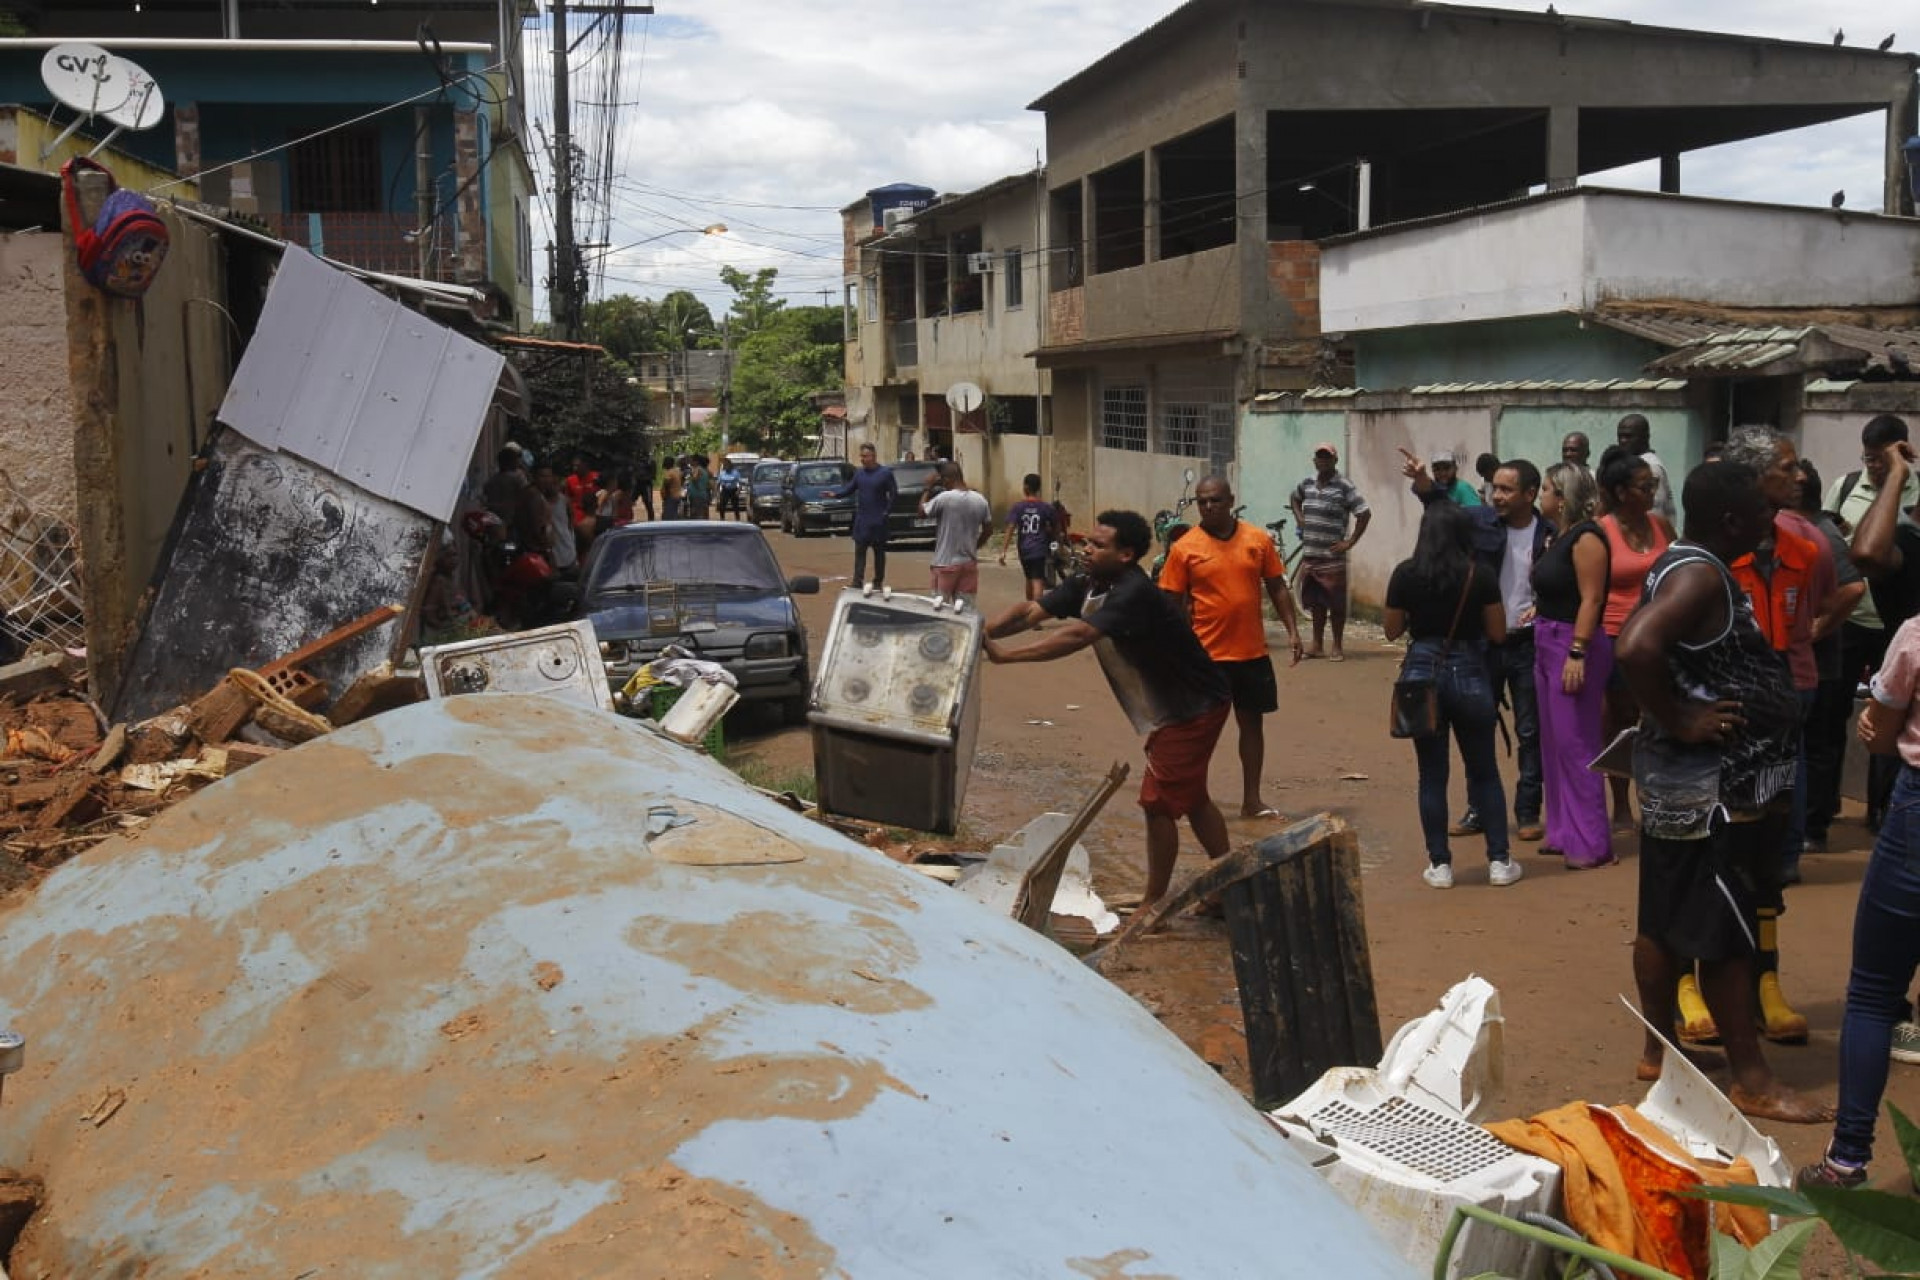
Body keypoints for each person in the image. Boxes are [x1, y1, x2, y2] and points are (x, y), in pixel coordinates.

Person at [1615, 460, 1831, 1124]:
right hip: (1714, 792)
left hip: (1685, 782)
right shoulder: (1702, 572)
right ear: (1733, 521)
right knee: (1728, 934)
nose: (1773, 524)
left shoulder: (1682, 562)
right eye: (1764, 514)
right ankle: (1752, 1077)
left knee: (1664, 918)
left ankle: (1661, 1052)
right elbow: (1636, 646)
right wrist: (1682, 717)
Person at [982, 510, 1233, 910]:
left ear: (1126, 555)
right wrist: (980, 632)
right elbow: (1030, 612)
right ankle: (1227, 884)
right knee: (1193, 797)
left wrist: (1008, 658)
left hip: (1193, 706)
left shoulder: (1133, 592)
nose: (1086, 548)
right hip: (1174, 706)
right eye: (1088, 541)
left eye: (1098, 545)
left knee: (1157, 803)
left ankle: (1154, 902)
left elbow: (1079, 634)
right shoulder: (1087, 580)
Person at [1797, 606, 1920, 1189]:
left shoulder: (1917, 633)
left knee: (1873, 994)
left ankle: (1846, 1162)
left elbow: (1880, 734)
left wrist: (1884, 731)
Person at [1719, 427, 1832, 1044]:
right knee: (1711, 858)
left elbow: (1811, 616)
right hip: (1722, 723)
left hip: (1779, 722)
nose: (1800, 478)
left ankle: (1768, 981)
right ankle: (1691, 982)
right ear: (1753, 478)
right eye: (1786, 469)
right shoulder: (1706, 553)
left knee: (1768, 864)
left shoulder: (1805, 549)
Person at [1406, 450, 1549, 844]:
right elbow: (1443, 510)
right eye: (1494, 488)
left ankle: (1527, 810)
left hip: (1529, 646)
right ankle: (1479, 810)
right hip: (1482, 645)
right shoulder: (1481, 522)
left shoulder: (1549, 533)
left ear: (1530, 493)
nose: (1497, 496)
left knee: (1529, 730)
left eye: (1506, 489)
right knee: (1478, 729)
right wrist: (1424, 484)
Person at [1384, 501, 1517, 889]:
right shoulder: (1481, 574)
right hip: (1470, 670)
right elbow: (1497, 633)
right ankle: (1499, 861)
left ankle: (1440, 865)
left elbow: (1392, 630)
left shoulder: (1406, 574)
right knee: (1484, 771)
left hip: (1423, 673)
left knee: (1431, 775)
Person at [1159, 475, 1306, 820]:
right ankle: (1192, 798)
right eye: (1202, 501)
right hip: (1206, 657)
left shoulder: (1257, 540)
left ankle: (1251, 800)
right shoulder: (1185, 548)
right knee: (1198, 732)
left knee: (1252, 726)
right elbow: (1171, 602)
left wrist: (1293, 632)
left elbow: (1277, 587)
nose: (1208, 507)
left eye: (1215, 500)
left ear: (1230, 500)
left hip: (1251, 654)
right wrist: (1176, 649)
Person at [1819, 414, 1916, 835]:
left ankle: (1880, 809)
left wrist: (1898, 476)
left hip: (1896, 633)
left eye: (1882, 460)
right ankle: (1836, 809)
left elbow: (1874, 553)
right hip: (1856, 617)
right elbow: (1861, 553)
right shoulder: (1846, 486)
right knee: (1845, 716)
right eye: (1869, 459)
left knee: (1892, 728)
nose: (1874, 466)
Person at [1532, 462, 1615, 869]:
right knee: (1553, 743)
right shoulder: (1557, 536)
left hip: (1572, 644)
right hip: (1546, 640)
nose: (1541, 495)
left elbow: (1592, 599)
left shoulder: (1588, 539)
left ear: (1562, 498)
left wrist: (1577, 652)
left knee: (1576, 742)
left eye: (1546, 488)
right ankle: (1563, 830)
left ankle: (1592, 841)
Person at [1597, 445, 1676, 829]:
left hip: (1661, 637)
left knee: (1660, 715)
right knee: (1619, 719)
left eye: (1654, 484)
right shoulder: (1602, 530)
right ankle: (1621, 803)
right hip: (1615, 638)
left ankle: (1657, 794)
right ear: (1622, 491)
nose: (1652, 492)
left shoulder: (1662, 526)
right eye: (1645, 485)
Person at [1799, 457, 1869, 858]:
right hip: (1804, 662)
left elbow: (1853, 589)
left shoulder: (1822, 534)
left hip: (1822, 661)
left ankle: (1815, 825)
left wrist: (1817, 629)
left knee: (1820, 744)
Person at [1290, 443, 1372, 661]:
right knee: (1315, 602)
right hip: (1311, 554)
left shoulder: (1344, 486)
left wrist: (1350, 541)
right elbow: (1294, 497)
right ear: (1315, 461)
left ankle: (1337, 645)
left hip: (1332, 557)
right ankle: (1317, 644)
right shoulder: (1307, 483)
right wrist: (1299, 517)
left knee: (1335, 603)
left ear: (1335, 461)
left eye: (1328, 457)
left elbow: (1364, 513)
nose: (1323, 461)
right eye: (1320, 457)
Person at [921, 461, 992, 609]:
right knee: (966, 611)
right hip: (968, 564)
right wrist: (974, 546)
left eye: (942, 481)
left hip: (945, 563)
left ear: (947, 479)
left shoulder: (945, 498)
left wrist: (927, 488)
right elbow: (988, 530)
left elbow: (922, 512)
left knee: (939, 610)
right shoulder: (980, 500)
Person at [834, 443, 898, 597]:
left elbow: (894, 494)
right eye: (861, 456)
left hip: (878, 521)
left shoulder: (885, 473)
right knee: (860, 552)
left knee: (879, 553)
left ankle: (877, 582)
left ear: (873, 456)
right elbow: (849, 488)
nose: (862, 459)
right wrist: (835, 495)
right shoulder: (859, 474)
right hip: (862, 520)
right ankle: (857, 581)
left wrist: (886, 512)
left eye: (865, 456)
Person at [998, 473, 1058, 603]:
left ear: (1025, 487)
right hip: (1040, 548)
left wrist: (1003, 551)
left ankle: (1030, 609)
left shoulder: (1018, 507)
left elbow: (1010, 528)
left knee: (1029, 578)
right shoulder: (1046, 507)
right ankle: (1035, 611)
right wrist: (1055, 541)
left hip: (1024, 549)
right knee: (1037, 580)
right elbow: (1056, 526)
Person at [1617, 413, 1676, 523]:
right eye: (1620, 436)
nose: (1623, 441)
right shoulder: (1633, 463)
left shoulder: (1651, 467)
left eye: (1629, 436)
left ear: (1645, 437)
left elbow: (1654, 513)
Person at [482, 445, 530, 525]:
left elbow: (485, 494)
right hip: (513, 520)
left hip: (495, 519)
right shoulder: (518, 476)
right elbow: (528, 494)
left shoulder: (493, 480)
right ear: (512, 462)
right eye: (517, 460)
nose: (519, 463)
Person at [686, 455, 713, 521]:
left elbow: (695, 479)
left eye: (691, 460)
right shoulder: (705, 470)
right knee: (702, 514)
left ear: (696, 462)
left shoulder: (698, 469)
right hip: (702, 495)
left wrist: (691, 476)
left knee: (696, 515)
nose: (690, 462)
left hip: (697, 495)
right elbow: (709, 484)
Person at [660, 455, 685, 521]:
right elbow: (682, 480)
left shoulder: (669, 473)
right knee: (674, 514)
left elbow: (666, 484)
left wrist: (665, 495)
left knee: (668, 517)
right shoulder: (677, 471)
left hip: (670, 497)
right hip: (677, 496)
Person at [635, 452, 657, 522]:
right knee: (629, 501)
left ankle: (651, 521)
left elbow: (653, 475)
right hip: (637, 484)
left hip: (646, 484)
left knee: (649, 504)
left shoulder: (651, 461)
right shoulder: (636, 459)